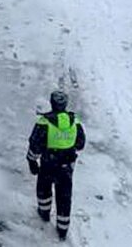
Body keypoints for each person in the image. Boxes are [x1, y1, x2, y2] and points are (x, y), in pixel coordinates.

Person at [26, 90, 86, 240]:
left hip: (48, 163)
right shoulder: (75, 121)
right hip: (67, 166)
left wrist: (32, 161)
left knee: (44, 189)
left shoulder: (44, 121)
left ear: (51, 103)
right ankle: (63, 229)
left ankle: (44, 214)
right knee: (64, 196)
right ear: (65, 104)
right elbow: (80, 144)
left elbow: (35, 145)